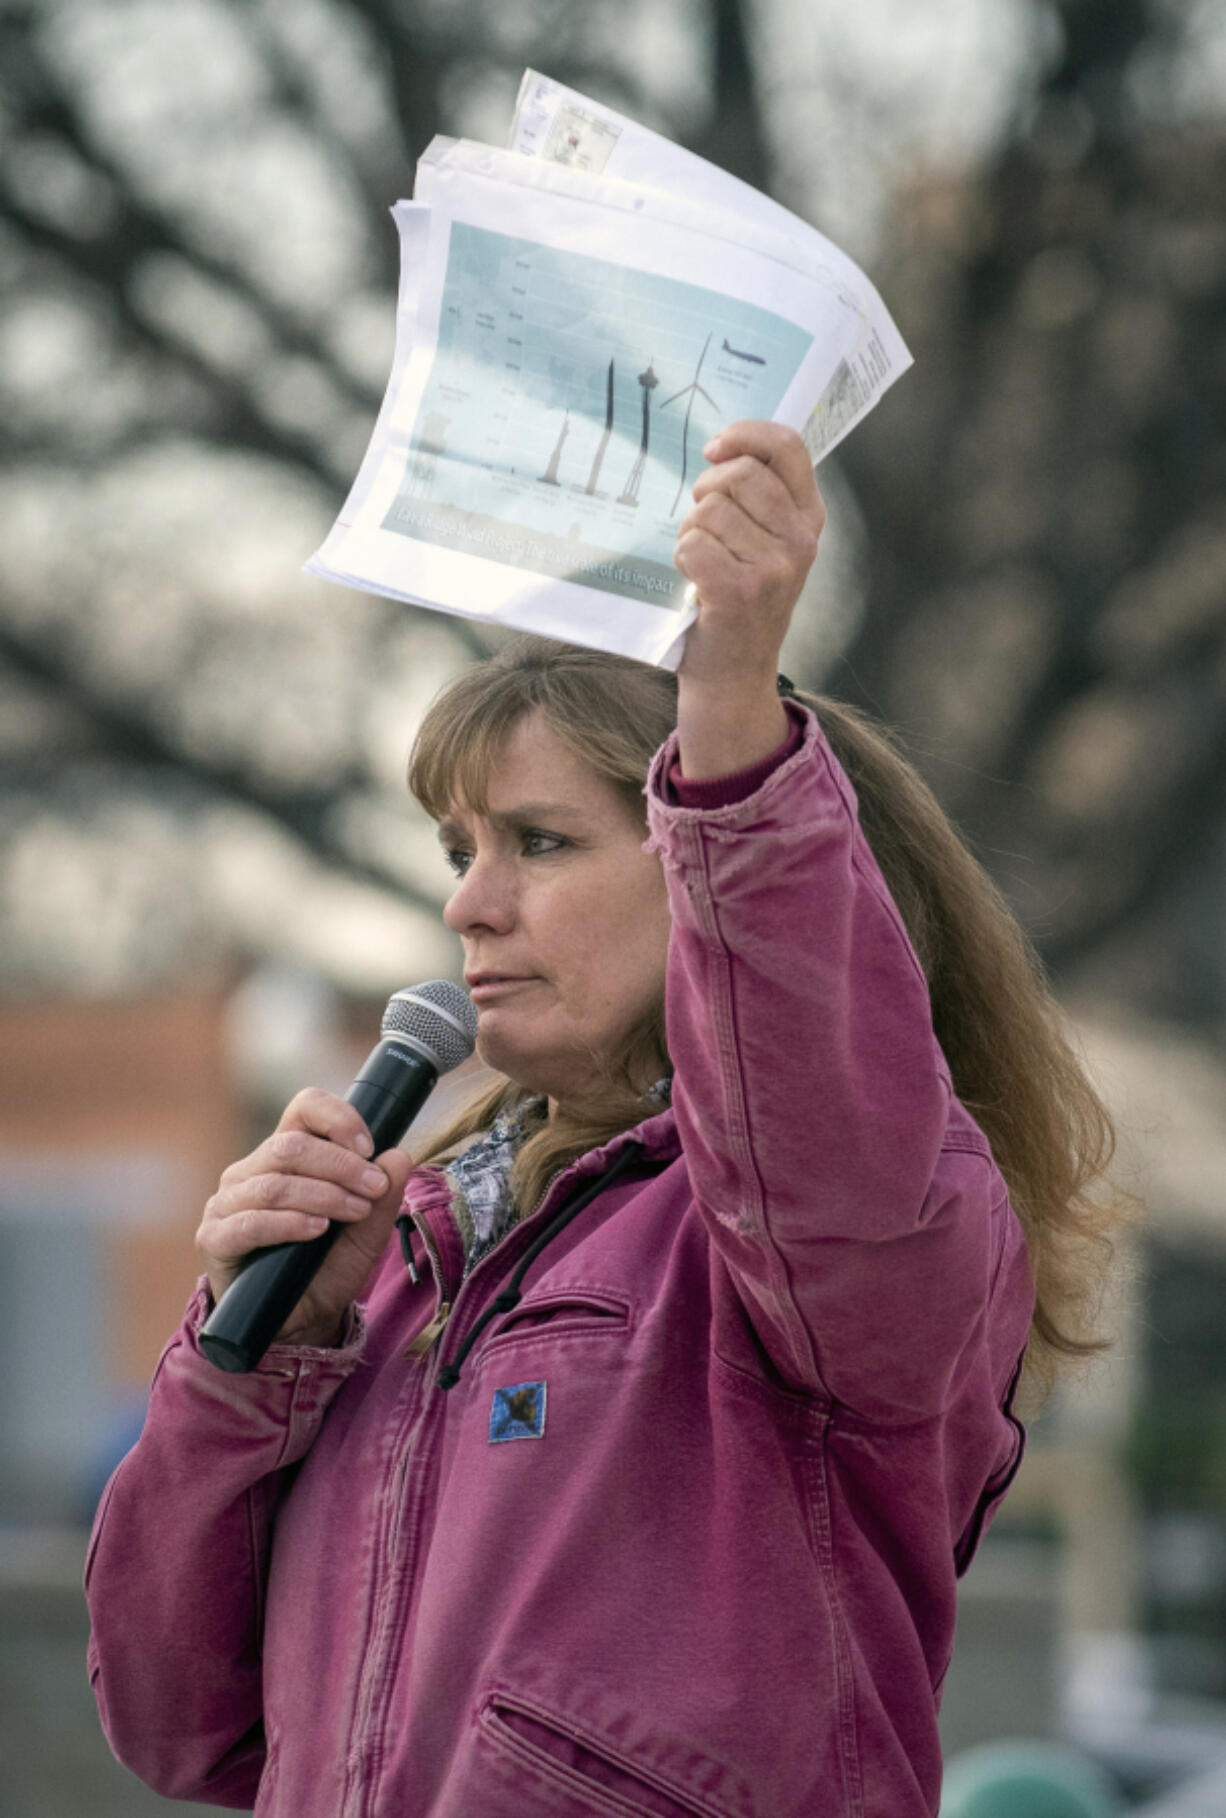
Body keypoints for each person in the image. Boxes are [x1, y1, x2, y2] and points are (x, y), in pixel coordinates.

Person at [86, 422, 1127, 1817]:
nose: (468, 902)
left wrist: (733, 721)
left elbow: (807, 1112)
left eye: (541, 841)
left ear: (698, 862)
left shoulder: (846, 1225)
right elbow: (177, 1726)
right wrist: (255, 1360)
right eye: (460, 851)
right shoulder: (399, 1256)